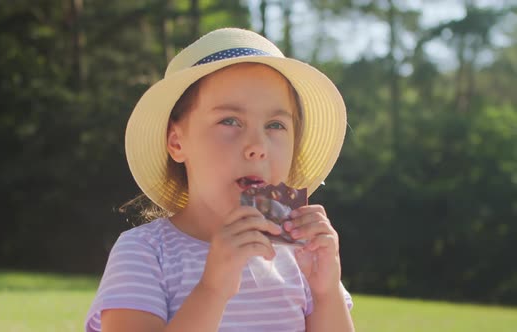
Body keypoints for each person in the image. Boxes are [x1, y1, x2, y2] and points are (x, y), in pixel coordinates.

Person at [85, 27, 354, 332]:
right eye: (230, 121)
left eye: (276, 125)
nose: (257, 147)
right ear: (176, 142)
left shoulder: (300, 259)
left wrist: (326, 292)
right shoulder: (146, 252)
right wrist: (213, 289)